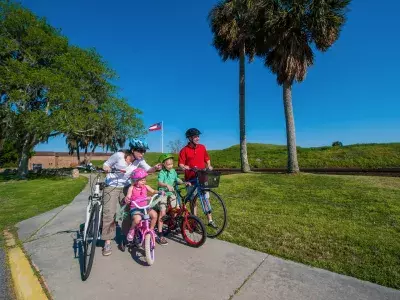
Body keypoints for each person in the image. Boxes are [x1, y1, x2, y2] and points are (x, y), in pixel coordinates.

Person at [101, 138, 161, 256]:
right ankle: (107, 242)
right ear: (133, 150)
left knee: (129, 212)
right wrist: (107, 168)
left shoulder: (139, 160)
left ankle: (127, 236)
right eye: (140, 151)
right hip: (111, 186)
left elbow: (148, 169)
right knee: (109, 213)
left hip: (126, 187)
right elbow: (105, 164)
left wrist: (156, 167)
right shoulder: (119, 155)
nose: (142, 153)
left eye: (144, 151)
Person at [178, 128, 217, 229]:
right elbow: (181, 164)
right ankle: (194, 220)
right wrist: (185, 167)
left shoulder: (202, 147)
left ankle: (210, 220)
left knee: (205, 199)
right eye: (195, 136)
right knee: (193, 201)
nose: (198, 138)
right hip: (190, 179)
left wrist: (209, 166)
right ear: (190, 138)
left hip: (202, 177)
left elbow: (207, 159)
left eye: (198, 136)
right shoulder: (184, 150)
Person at [156, 153, 190, 245]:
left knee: (176, 209)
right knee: (162, 212)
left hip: (172, 193)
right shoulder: (162, 172)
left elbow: (176, 179)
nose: (170, 166)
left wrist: (184, 182)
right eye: (168, 164)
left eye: (171, 164)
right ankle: (160, 234)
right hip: (163, 192)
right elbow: (159, 183)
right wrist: (166, 185)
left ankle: (173, 225)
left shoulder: (173, 171)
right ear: (163, 164)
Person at [124, 168, 159, 243]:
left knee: (154, 215)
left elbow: (153, 191)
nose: (144, 181)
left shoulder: (146, 187)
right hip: (136, 208)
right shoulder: (131, 188)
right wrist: (127, 198)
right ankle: (132, 230)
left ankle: (151, 230)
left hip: (145, 208)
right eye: (141, 180)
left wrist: (159, 192)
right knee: (137, 220)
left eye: (144, 180)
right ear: (135, 181)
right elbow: (128, 196)